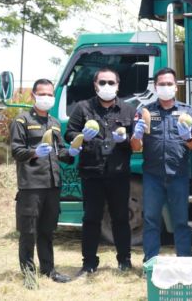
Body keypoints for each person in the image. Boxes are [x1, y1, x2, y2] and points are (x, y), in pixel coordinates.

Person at [64, 67, 137, 276]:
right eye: (102, 82)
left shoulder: (128, 110)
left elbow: (136, 141)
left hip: (119, 173)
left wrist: (127, 139)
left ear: (118, 85)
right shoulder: (83, 107)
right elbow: (69, 133)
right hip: (91, 173)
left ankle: (124, 260)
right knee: (91, 219)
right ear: (95, 85)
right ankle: (89, 262)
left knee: (121, 218)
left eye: (111, 82)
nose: (107, 86)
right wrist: (81, 137)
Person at [130, 67, 192, 263]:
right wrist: (136, 135)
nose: (166, 87)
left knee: (181, 221)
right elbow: (136, 147)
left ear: (176, 87)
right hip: (153, 175)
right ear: (155, 86)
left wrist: (188, 137)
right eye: (162, 84)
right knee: (151, 220)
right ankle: (150, 262)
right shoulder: (145, 111)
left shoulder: (187, 111)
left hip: (178, 174)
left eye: (169, 83)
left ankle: (184, 261)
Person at [9, 79, 73, 286]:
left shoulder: (54, 122)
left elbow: (60, 150)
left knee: (47, 230)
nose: (46, 98)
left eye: (50, 94)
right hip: (32, 185)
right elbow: (16, 151)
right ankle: (28, 273)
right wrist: (34, 152)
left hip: (52, 184)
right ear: (34, 96)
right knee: (29, 231)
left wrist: (71, 152)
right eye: (42, 94)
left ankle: (49, 269)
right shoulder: (22, 121)